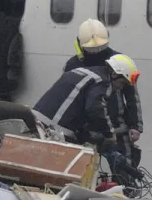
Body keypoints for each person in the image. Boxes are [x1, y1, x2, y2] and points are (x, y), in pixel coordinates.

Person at [63, 19, 143, 167]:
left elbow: (132, 96)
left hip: (117, 128)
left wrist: (135, 125)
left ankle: (126, 189)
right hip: (84, 130)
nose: (96, 53)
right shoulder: (73, 65)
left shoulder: (120, 62)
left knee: (124, 168)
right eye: (92, 49)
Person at [34, 53, 116, 148]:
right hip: (56, 130)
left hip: (36, 119)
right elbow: (96, 108)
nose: (119, 88)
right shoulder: (102, 81)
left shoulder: (80, 71)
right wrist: (110, 134)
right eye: (122, 83)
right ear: (114, 74)